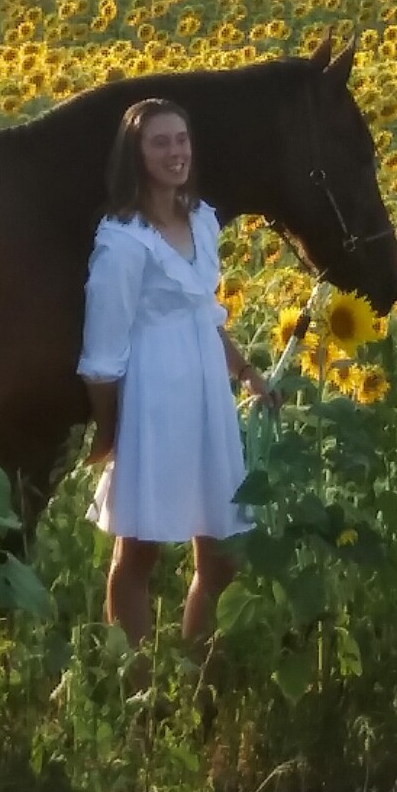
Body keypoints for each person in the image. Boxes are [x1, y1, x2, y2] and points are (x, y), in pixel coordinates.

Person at [77, 96, 279, 654]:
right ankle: (138, 688)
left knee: (220, 555)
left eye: (181, 139)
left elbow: (204, 313)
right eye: (160, 142)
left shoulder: (202, 219)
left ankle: (195, 680)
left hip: (207, 399)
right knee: (137, 553)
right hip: (151, 401)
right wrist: (111, 432)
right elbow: (100, 356)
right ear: (135, 154)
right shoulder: (122, 242)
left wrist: (245, 373)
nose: (175, 152)